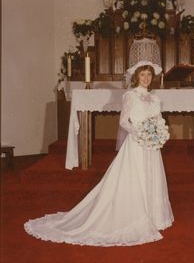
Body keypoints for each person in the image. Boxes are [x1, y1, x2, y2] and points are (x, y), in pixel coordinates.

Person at [24, 60, 174, 247]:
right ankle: (134, 216)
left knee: (152, 176)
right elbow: (123, 122)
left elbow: (158, 120)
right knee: (134, 178)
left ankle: (154, 217)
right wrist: (140, 132)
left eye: (149, 75)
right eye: (142, 75)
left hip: (151, 147)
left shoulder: (155, 99)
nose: (146, 78)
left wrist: (158, 133)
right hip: (136, 143)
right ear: (136, 77)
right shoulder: (130, 96)